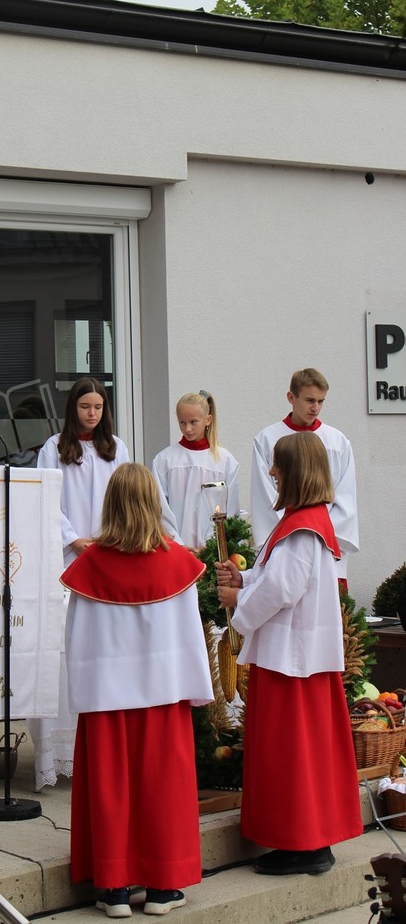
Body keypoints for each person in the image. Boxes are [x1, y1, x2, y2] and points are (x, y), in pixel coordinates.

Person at [63, 463, 213, 917]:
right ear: (154, 504)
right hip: (163, 695)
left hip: (107, 699)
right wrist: (194, 689)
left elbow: (77, 638)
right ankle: (163, 889)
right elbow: (190, 635)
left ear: (110, 504)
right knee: (163, 788)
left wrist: (85, 692)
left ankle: (114, 890)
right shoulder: (178, 563)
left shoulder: (90, 566)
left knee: (110, 788)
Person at [216, 432, 363, 875]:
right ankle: (308, 841)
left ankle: (304, 845)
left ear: (294, 472)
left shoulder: (301, 528)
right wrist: (244, 580)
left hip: (291, 661)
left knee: (292, 756)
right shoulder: (305, 521)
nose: (271, 472)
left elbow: (283, 588)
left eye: (278, 465)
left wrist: (239, 603)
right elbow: (277, 576)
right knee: (305, 755)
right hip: (298, 658)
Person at [27, 377, 130, 790]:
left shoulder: (116, 448)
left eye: (98, 407)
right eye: (85, 407)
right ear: (73, 408)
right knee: (64, 650)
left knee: (105, 649)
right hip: (67, 557)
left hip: (107, 555)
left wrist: (111, 539)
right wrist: (72, 539)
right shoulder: (53, 449)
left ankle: (101, 747)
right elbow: (44, 500)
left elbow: (125, 498)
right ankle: (60, 748)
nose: (92, 414)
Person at [250, 368, 358, 581]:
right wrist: (292, 537)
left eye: (321, 401)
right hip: (283, 549)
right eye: (310, 400)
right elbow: (265, 499)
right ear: (291, 397)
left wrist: (316, 536)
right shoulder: (267, 440)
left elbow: (345, 500)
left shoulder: (337, 442)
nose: (316, 408)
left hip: (327, 547)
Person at [152, 389, 240, 553]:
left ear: (208, 420)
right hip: (176, 550)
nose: (187, 429)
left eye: (193, 422)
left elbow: (230, 508)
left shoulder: (225, 461)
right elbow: (160, 507)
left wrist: (210, 545)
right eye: (182, 422)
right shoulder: (164, 460)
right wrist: (178, 544)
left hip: (213, 551)